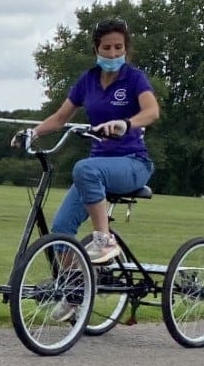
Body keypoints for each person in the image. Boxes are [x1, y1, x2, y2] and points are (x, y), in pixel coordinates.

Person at [14, 18, 160, 264]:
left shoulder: (134, 78)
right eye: (107, 48)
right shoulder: (88, 80)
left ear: (126, 49)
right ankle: (74, 294)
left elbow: (152, 112)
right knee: (60, 230)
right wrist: (33, 132)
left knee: (84, 168)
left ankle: (104, 240)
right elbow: (60, 118)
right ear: (96, 49)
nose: (113, 53)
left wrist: (125, 123)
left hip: (133, 164)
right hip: (98, 166)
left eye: (118, 47)